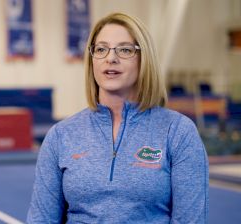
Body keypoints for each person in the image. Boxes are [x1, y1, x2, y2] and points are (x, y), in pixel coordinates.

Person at [27, 12, 208, 223]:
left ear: (144, 59)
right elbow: (41, 219)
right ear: (92, 59)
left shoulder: (177, 131)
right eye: (101, 49)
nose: (111, 58)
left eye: (124, 50)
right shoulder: (61, 135)